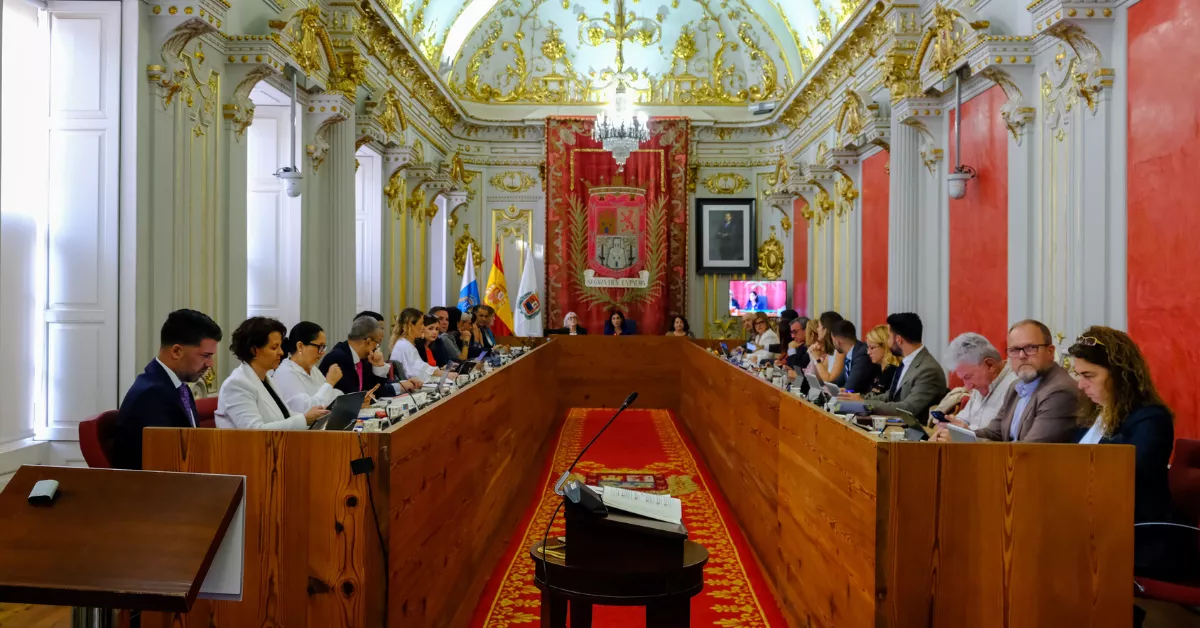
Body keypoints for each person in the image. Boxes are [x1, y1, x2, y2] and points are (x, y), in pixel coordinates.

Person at [1066, 326, 1194, 583]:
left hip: (1136, 534)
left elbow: (1123, 479)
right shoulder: (1096, 415)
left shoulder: (1150, 419)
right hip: (1098, 523)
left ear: (1120, 375)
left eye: (1089, 375)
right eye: (1078, 375)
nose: (1080, 385)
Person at [112, 309, 222, 470]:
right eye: (205, 355)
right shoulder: (151, 395)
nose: (210, 364)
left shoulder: (177, 387)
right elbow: (164, 464)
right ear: (176, 351)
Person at [934, 320, 1077, 443]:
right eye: (1014, 350)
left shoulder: (1059, 391)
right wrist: (963, 434)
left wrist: (966, 442)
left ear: (1050, 352)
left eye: (1030, 348)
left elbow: (1032, 450)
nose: (1021, 355)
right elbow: (994, 433)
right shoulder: (1016, 387)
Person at [215, 317, 331, 430]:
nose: (281, 352)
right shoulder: (237, 384)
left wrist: (313, 415)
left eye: (280, 346)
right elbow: (254, 431)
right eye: (274, 347)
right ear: (254, 350)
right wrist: (304, 419)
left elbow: (285, 415)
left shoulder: (266, 379)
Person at [842, 313, 947, 424]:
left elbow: (908, 408)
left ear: (898, 340)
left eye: (888, 337)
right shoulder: (907, 361)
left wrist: (865, 404)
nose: (887, 342)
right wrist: (860, 399)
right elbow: (890, 396)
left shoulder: (928, 370)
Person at [934, 332, 1018, 431]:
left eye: (968, 377)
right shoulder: (981, 386)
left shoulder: (1017, 387)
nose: (968, 386)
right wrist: (947, 428)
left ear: (990, 365)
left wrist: (966, 436)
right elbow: (962, 420)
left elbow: (1005, 437)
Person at [320, 315, 414, 398]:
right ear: (367, 341)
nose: (377, 349)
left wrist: (378, 368)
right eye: (377, 344)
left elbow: (376, 391)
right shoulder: (338, 358)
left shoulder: (363, 358)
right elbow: (351, 395)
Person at [271, 321, 344, 413]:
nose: (322, 352)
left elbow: (330, 397)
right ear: (300, 346)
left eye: (324, 347)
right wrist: (330, 383)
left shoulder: (313, 370)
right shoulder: (285, 373)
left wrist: (351, 401)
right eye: (319, 347)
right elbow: (307, 411)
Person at [391, 307, 445, 383]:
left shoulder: (405, 343)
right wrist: (445, 374)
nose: (423, 327)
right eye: (421, 323)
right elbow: (418, 370)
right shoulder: (405, 345)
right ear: (411, 325)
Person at [829, 320, 876, 393]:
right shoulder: (851, 354)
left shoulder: (862, 354)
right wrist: (824, 387)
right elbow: (839, 381)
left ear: (837, 341)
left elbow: (850, 388)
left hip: (865, 402)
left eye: (832, 340)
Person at [864, 324, 900, 395]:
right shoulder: (877, 370)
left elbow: (882, 403)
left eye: (872, 348)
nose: (868, 352)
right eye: (867, 348)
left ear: (885, 347)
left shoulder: (893, 373)